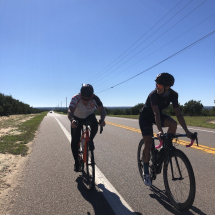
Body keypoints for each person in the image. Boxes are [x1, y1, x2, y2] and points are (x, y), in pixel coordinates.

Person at [139, 73, 193, 186]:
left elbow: (178, 113)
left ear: (167, 87)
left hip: (158, 116)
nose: (156, 87)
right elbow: (156, 113)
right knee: (148, 144)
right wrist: (160, 131)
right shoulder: (153, 94)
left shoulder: (173, 95)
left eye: (159, 85)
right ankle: (146, 171)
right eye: (156, 84)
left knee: (173, 124)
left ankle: (165, 149)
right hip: (145, 117)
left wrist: (187, 131)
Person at [68, 84, 106, 172]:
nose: (85, 101)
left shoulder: (95, 98)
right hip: (77, 117)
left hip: (89, 116)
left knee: (95, 125)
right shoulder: (76, 98)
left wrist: (102, 119)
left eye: (88, 99)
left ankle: (90, 140)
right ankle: (77, 163)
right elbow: (70, 110)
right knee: (75, 141)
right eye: (84, 98)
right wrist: (72, 120)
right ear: (80, 95)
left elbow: (102, 109)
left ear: (92, 96)